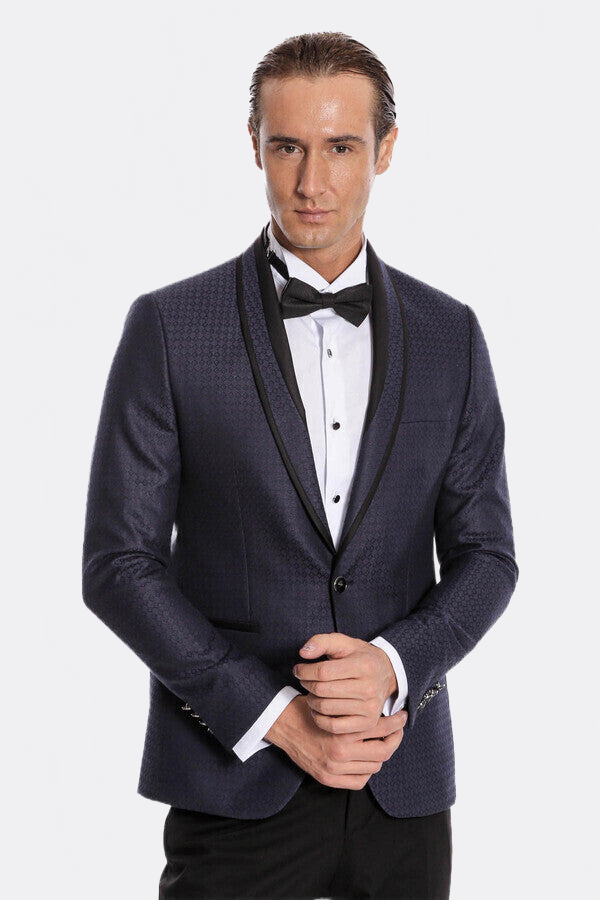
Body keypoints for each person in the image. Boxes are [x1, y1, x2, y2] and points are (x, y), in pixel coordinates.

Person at [82, 31, 518, 900]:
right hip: (234, 782)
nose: (311, 182)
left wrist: (395, 664)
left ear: (385, 150)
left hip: (401, 787)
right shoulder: (171, 328)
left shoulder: (451, 334)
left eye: (340, 148)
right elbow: (118, 565)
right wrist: (275, 715)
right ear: (254, 146)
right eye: (287, 147)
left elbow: (488, 556)